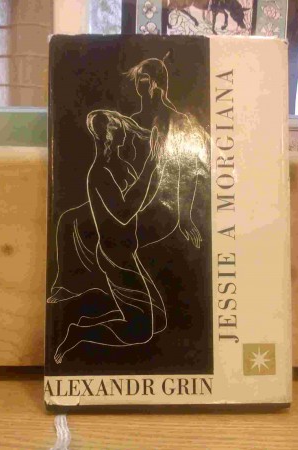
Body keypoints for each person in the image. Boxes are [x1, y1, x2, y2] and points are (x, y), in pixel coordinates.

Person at [53, 110, 167, 364]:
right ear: (106, 136)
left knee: (158, 321)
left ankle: (90, 322)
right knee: (141, 332)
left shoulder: (121, 167)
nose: (123, 132)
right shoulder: (100, 173)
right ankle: (79, 334)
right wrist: (150, 166)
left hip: (127, 252)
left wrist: (155, 168)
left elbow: (139, 202)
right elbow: (124, 214)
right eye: (116, 129)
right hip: (115, 258)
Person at [125, 56, 207, 249]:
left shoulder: (178, 120)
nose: (139, 85)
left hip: (161, 206)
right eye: (138, 80)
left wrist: (185, 217)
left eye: (144, 79)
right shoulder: (135, 120)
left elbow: (187, 172)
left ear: (157, 84)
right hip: (136, 198)